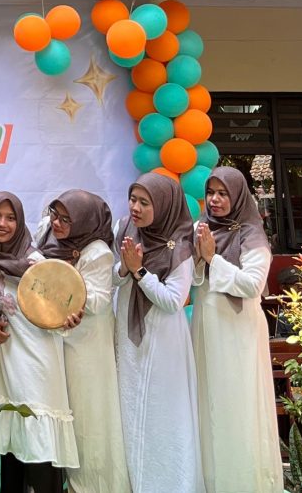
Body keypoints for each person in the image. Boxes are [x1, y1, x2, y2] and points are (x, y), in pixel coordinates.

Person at [191, 167, 282, 492]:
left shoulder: (252, 234)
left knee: (237, 403)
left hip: (238, 330)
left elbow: (252, 285)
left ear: (238, 196)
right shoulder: (202, 229)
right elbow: (192, 280)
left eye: (223, 193)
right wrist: (199, 259)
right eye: (210, 192)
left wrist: (213, 258)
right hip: (206, 324)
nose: (214, 200)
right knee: (209, 402)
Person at [113, 173, 205, 492]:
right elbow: (112, 279)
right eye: (133, 199)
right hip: (128, 335)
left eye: (144, 202)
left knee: (164, 413)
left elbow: (173, 301)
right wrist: (124, 268)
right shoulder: (125, 229)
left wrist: (139, 271)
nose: (135, 208)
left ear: (164, 205)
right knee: (131, 408)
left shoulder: (181, 244)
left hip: (163, 340)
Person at [0, 191, 78, 493]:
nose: (2, 224)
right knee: (13, 451)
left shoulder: (36, 262)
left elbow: (58, 313)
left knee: (39, 447)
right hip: (6, 359)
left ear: (20, 222)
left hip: (37, 362)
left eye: (10, 218)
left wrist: (68, 322)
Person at [37, 190, 129, 493]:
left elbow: (99, 299)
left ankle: (94, 486)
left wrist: (63, 292)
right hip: (51, 338)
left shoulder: (97, 252)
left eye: (67, 219)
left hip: (87, 346)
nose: (57, 223)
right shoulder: (46, 232)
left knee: (89, 418)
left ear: (84, 222)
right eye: (55, 214)